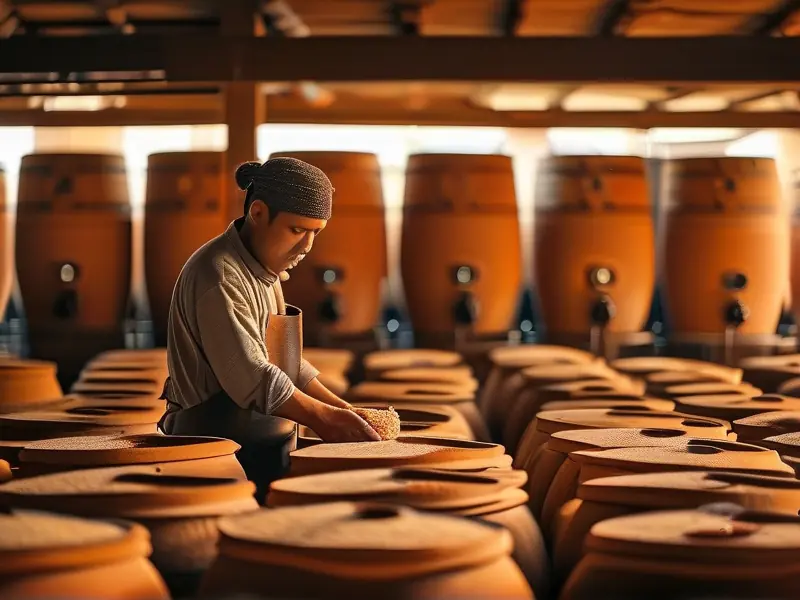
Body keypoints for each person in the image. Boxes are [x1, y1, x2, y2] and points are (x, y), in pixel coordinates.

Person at [158, 157, 380, 499]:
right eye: (297, 230)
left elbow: (284, 361)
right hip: (212, 457)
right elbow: (252, 375)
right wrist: (324, 419)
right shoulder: (219, 275)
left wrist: (342, 409)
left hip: (261, 446)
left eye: (315, 233)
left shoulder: (265, 273)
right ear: (258, 213)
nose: (307, 246)